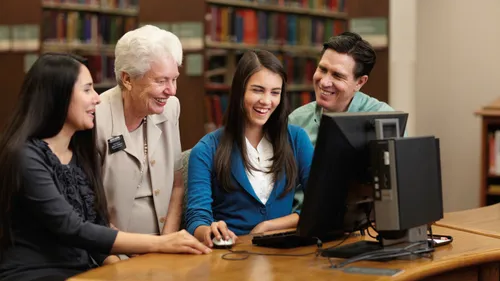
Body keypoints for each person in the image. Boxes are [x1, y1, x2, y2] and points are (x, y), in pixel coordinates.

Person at [0, 53, 210, 281]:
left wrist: (132, 265)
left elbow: (96, 226)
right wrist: (162, 243)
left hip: (81, 272)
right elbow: (73, 228)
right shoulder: (24, 156)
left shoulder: (78, 153)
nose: (98, 99)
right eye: (87, 89)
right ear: (57, 96)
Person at [185, 50, 314, 247]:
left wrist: (269, 226)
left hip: (285, 254)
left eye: (275, 92)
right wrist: (209, 230)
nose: (266, 101)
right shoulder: (206, 150)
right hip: (231, 257)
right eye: (257, 90)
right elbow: (196, 219)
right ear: (240, 90)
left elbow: (321, 205)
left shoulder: (296, 139)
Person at [95, 25, 184, 237]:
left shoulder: (170, 108)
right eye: (161, 81)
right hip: (111, 249)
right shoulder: (96, 118)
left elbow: (177, 186)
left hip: (164, 246)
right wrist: (115, 256)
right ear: (127, 79)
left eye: (174, 79)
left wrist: (166, 243)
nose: (171, 90)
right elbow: (87, 206)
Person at [289, 31, 395, 146]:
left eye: (337, 75)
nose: (324, 82)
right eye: (322, 70)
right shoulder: (297, 120)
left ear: (359, 82)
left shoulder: (384, 119)